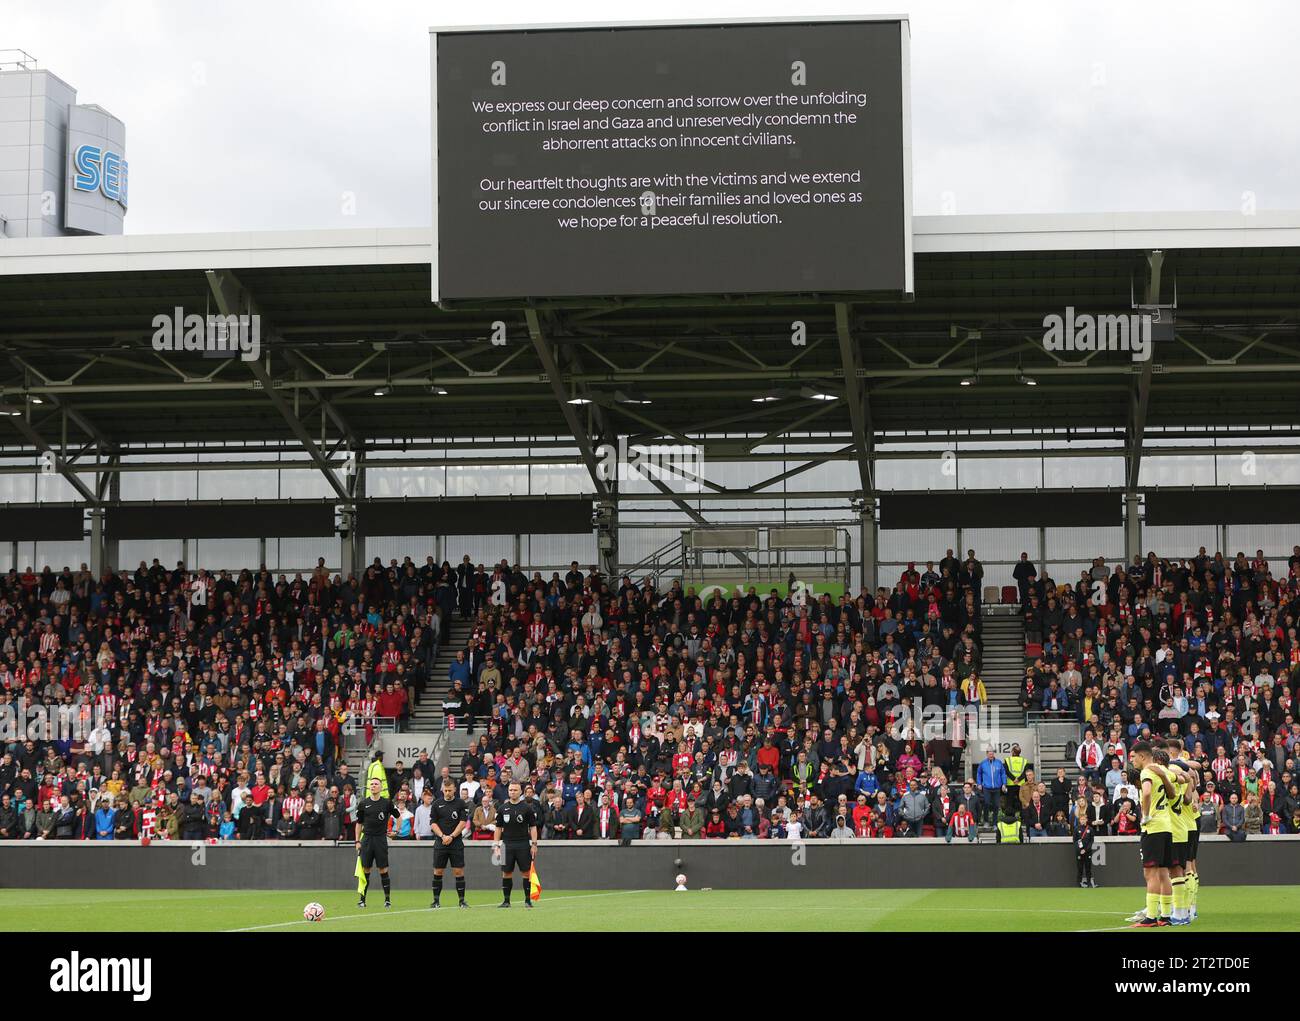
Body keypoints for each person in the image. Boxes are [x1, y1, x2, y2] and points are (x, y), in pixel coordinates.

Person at [1129, 740, 1176, 927]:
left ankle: (1150, 917)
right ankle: (1165, 916)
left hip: (1154, 827)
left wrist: (1146, 815)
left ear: (1142, 757)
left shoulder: (1147, 772)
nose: (1132, 761)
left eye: (1133, 757)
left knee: (1150, 873)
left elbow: (1146, 793)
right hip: (1166, 826)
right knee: (1164, 873)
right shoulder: (1162, 771)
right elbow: (1176, 786)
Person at [494, 781, 539, 909]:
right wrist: (496, 845)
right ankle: (506, 901)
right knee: (506, 873)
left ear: (520, 792)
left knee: (526, 873)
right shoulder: (502, 808)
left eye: (515, 790)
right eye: (510, 790)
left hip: (523, 844)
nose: (512, 792)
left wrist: (534, 844)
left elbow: (533, 827)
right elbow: (498, 828)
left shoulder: (527, 808)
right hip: (506, 845)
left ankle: (527, 900)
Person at [355, 775, 393, 909]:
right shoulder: (363, 803)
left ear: (381, 787)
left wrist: (396, 831)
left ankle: (387, 899)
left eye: (376, 784)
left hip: (380, 839)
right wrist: (357, 841)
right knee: (365, 869)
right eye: (371, 784)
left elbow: (398, 816)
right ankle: (362, 900)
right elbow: (359, 824)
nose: (373, 786)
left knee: (383, 869)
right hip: (367, 839)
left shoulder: (387, 803)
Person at [431, 777, 469, 909]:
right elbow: (433, 823)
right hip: (441, 842)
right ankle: (436, 901)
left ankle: (462, 901)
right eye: (445, 790)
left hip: (456, 843)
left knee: (458, 872)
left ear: (454, 790)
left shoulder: (461, 804)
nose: (447, 793)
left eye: (449, 790)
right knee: (438, 871)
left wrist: (452, 836)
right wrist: (442, 836)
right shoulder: (436, 804)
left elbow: (463, 823)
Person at [1074, 814, 1095, 888]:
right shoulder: (1076, 829)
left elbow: (1091, 841)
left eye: (1084, 819)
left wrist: (1085, 850)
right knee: (1080, 868)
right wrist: (1080, 850)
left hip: (1088, 852)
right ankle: (1078, 883)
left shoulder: (1090, 829)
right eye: (1081, 819)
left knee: (1088, 868)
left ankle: (1089, 883)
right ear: (1079, 820)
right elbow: (1075, 841)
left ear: (1086, 820)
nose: (1083, 821)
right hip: (1079, 852)